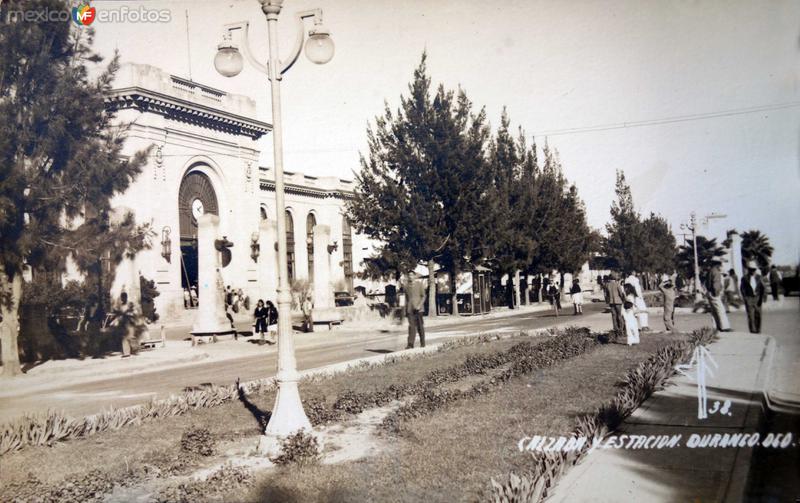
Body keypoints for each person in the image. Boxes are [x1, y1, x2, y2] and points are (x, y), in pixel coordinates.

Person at [706, 260, 731, 332]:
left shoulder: (710, 271)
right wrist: (716, 293)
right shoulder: (716, 272)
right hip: (714, 294)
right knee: (721, 310)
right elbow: (716, 284)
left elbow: (708, 282)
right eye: (720, 264)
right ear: (717, 264)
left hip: (710, 292)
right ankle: (724, 327)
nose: (721, 266)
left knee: (714, 311)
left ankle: (716, 326)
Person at [740, 261, 766, 333]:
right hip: (749, 298)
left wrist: (762, 297)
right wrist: (745, 298)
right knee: (751, 316)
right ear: (748, 269)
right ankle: (752, 331)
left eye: (754, 269)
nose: (752, 271)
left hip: (757, 298)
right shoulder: (744, 278)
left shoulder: (759, 277)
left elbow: (763, 288)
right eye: (751, 269)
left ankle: (758, 330)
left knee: (758, 315)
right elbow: (742, 289)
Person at [405, 271, 426, 348]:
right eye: (409, 275)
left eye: (412, 275)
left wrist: (419, 305)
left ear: (415, 276)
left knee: (420, 326)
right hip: (410, 309)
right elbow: (406, 299)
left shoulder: (419, 284)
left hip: (419, 309)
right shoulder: (406, 286)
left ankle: (422, 343)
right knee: (411, 326)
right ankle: (410, 344)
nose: (410, 276)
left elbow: (423, 296)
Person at [604, 272, 627, 341]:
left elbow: (606, 294)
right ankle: (621, 331)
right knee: (619, 316)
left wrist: (607, 300)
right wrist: (624, 300)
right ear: (614, 278)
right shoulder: (617, 284)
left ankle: (616, 330)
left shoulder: (607, 284)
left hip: (611, 302)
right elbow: (621, 293)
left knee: (614, 316)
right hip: (618, 301)